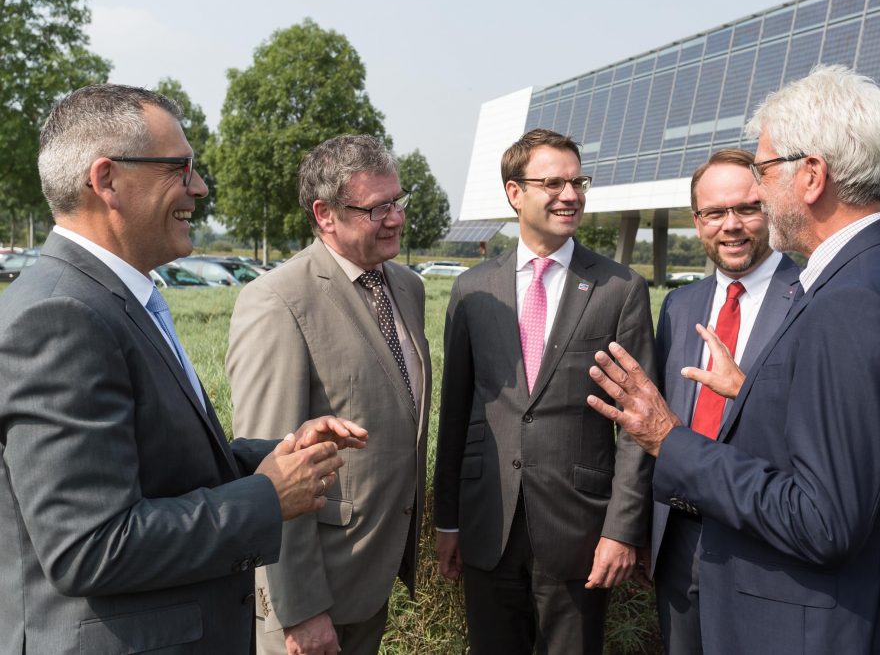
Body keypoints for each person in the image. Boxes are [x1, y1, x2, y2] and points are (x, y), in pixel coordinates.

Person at [588, 65, 880, 654]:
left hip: (813, 627)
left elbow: (822, 520)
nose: (755, 190)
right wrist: (755, 395)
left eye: (763, 170)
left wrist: (667, 439)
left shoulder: (851, 301)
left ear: (811, 175)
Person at [0, 84, 367, 655]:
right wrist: (268, 497)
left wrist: (270, 456)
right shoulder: (61, 315)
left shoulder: (112, 298)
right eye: (180, 167)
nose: (198, 186)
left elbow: (154, 467)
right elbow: (90, 546)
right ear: (106, 180)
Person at [433, 128, 656, 654]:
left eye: (578, 181)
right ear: (514, 193)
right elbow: (456, 410)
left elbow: (637, 427)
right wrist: (447, 521)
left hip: (579, 532)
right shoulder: (472, 291)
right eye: (553, 182)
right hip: (489, 528)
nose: (571, 194)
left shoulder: (619, 290)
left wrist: (622, 529)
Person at [227, 135, 430, 655]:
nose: (395, 219)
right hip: (314, 595)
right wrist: (299, 608)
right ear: (325, 214)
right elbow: (271, 469)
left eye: (398, 201)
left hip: (373, 572)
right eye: (376, 208)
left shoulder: (406, 286)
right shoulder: (277, 301)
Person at [651, 148, 799, 654]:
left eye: (747, 208)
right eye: (715, 213)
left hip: (764, 539)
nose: (731, 226)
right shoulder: (678, 306)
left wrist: (748, 393)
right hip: (679, 539)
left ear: (771, 209)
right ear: (697, 222)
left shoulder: (809, 296)